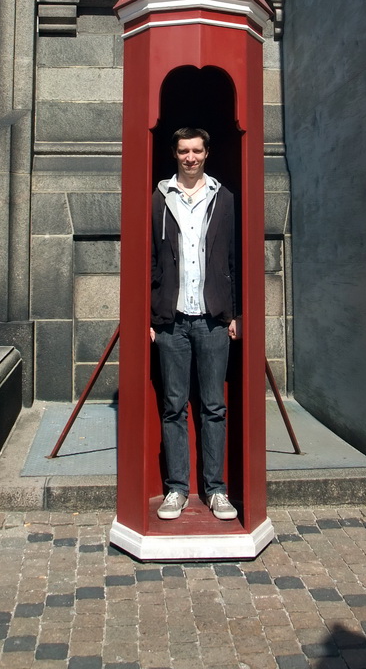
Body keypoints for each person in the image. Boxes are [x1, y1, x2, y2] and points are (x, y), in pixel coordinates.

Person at [150, 127, 238, 521]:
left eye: (196, 151)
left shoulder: (224, 199)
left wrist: (234, 312)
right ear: (174, 154)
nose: (190, 157)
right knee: (172, 406)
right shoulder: (158, 200)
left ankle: (216, 489)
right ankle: (176, 489)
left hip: (212, 319)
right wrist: (149, 317)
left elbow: (233, 259)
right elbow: (149, 260)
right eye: (184, 151)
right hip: (171, 321)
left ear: (206, 153)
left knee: (213, 406)